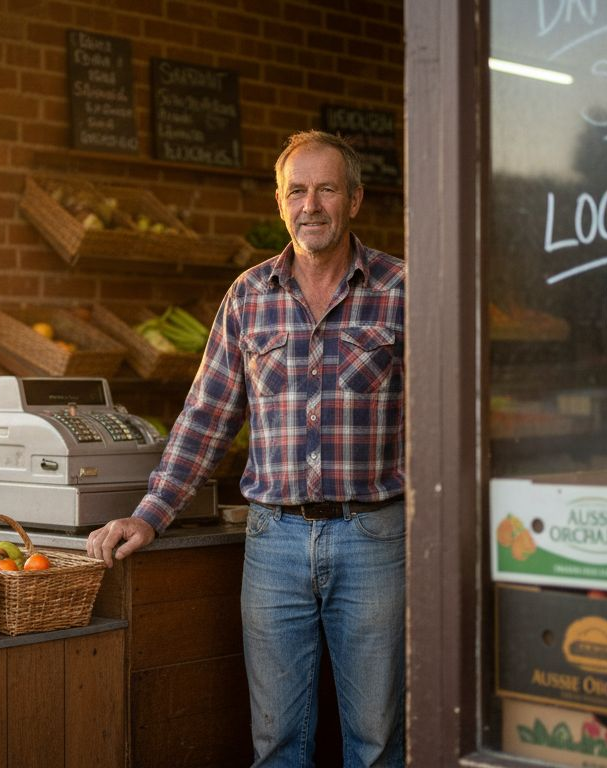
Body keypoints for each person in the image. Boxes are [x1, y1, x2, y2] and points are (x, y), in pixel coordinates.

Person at [86, 129, 406, 767]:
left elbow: (440, 418)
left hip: (374, 538)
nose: (310, 205)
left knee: (376, 744)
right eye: (297, 191)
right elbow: (207, 416)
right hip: (274, 544)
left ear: (356, 200)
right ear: (280, 204)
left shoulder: (401, 290)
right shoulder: (248, 296)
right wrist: (151, 513)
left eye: (326, 189)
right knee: (277, 744)